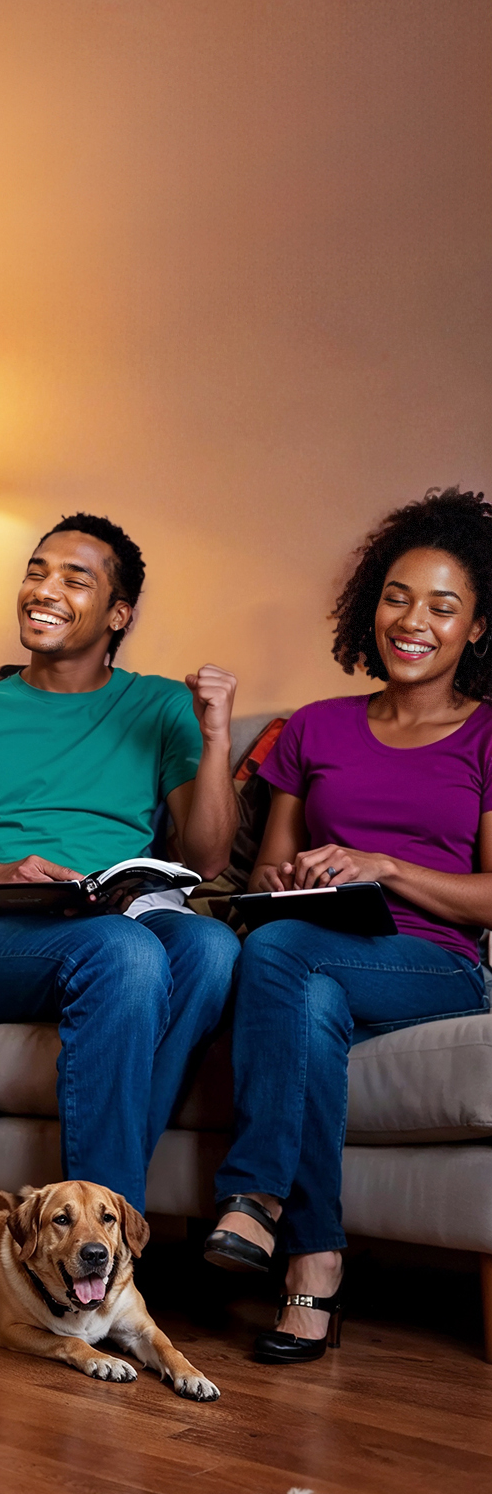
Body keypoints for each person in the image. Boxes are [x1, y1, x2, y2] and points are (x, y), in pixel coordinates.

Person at [0, 516, 242, 1205]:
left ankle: (91, 1221)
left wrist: (213, 739)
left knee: (209, 947)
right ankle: (103, 1245)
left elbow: (207, 856)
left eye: (73, 578)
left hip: (107, 914)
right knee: (124, 953)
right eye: (35, 571)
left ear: (118, 614)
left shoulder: (155, 707)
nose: (43, 589)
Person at [204, 489, 492, 1363]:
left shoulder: (484, 737)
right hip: (319, 952)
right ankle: (313, 1271)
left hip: (433, 961)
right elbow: (260, 883)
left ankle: (253, 1197)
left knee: (285, 959)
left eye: (442, 606)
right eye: (397, 597)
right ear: (370, 604)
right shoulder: (315, 728)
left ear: (475, 630)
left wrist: (387, 866)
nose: (412, 621)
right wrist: (294, 876)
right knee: (303, 992)